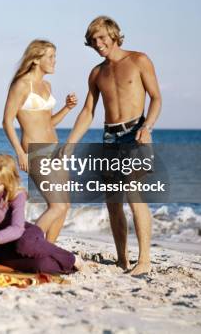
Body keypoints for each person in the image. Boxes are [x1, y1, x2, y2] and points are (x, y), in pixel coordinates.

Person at [66, 16, 161, 276]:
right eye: (93, 40)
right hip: (110, 137)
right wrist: (70, 143)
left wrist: (147, 126)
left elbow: (156, 98)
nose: (98, 43)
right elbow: (88, 111)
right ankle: (122, 260)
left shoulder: (139, 60)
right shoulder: (97, 73)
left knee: (133, 191)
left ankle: (144, 261)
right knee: (113, 201)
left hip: (135, 133)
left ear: (114, 35)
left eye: (101, 38)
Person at [0, 154, 83, 275]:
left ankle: (72, 258)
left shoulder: (17, 194)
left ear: (8, 182)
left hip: (25, 235)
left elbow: (17, 230)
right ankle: (68, 263)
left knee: (25, 244)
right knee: (40, 265)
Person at [2, 40, 77, 243]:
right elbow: (7, 121)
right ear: (36, 59)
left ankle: (48, 248)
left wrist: (67, 108)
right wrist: (19, 152)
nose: (55, 61)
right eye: (50, 57)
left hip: (55, 150)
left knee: (65, 206)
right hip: (34, 151)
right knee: (57, 205)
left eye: (55, 57)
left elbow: (48, 123)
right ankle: (27, 243)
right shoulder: (21, 85)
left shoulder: (47, 85)